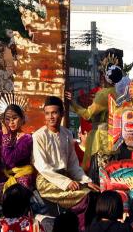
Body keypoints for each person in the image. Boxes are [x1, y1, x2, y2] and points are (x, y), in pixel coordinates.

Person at [32, 95, 100, 230]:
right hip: (47, 181)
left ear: (62, 114)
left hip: (66, 178)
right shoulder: (39, 136)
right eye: (47, 113)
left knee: (94, 193)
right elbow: (43, 168)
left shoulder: (67, 133)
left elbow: (73, 164)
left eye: (54, 113)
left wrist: (86, 181)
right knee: (85, 197)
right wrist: (66, 182)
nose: (50, 117)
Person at [65, 56, 123, 183]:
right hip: (114, 138)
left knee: (99, 174)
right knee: (113, 175)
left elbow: (87, 115)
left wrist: (72, 103)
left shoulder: (103, 93)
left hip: (100, 139)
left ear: (104, 77)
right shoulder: (119, 93)